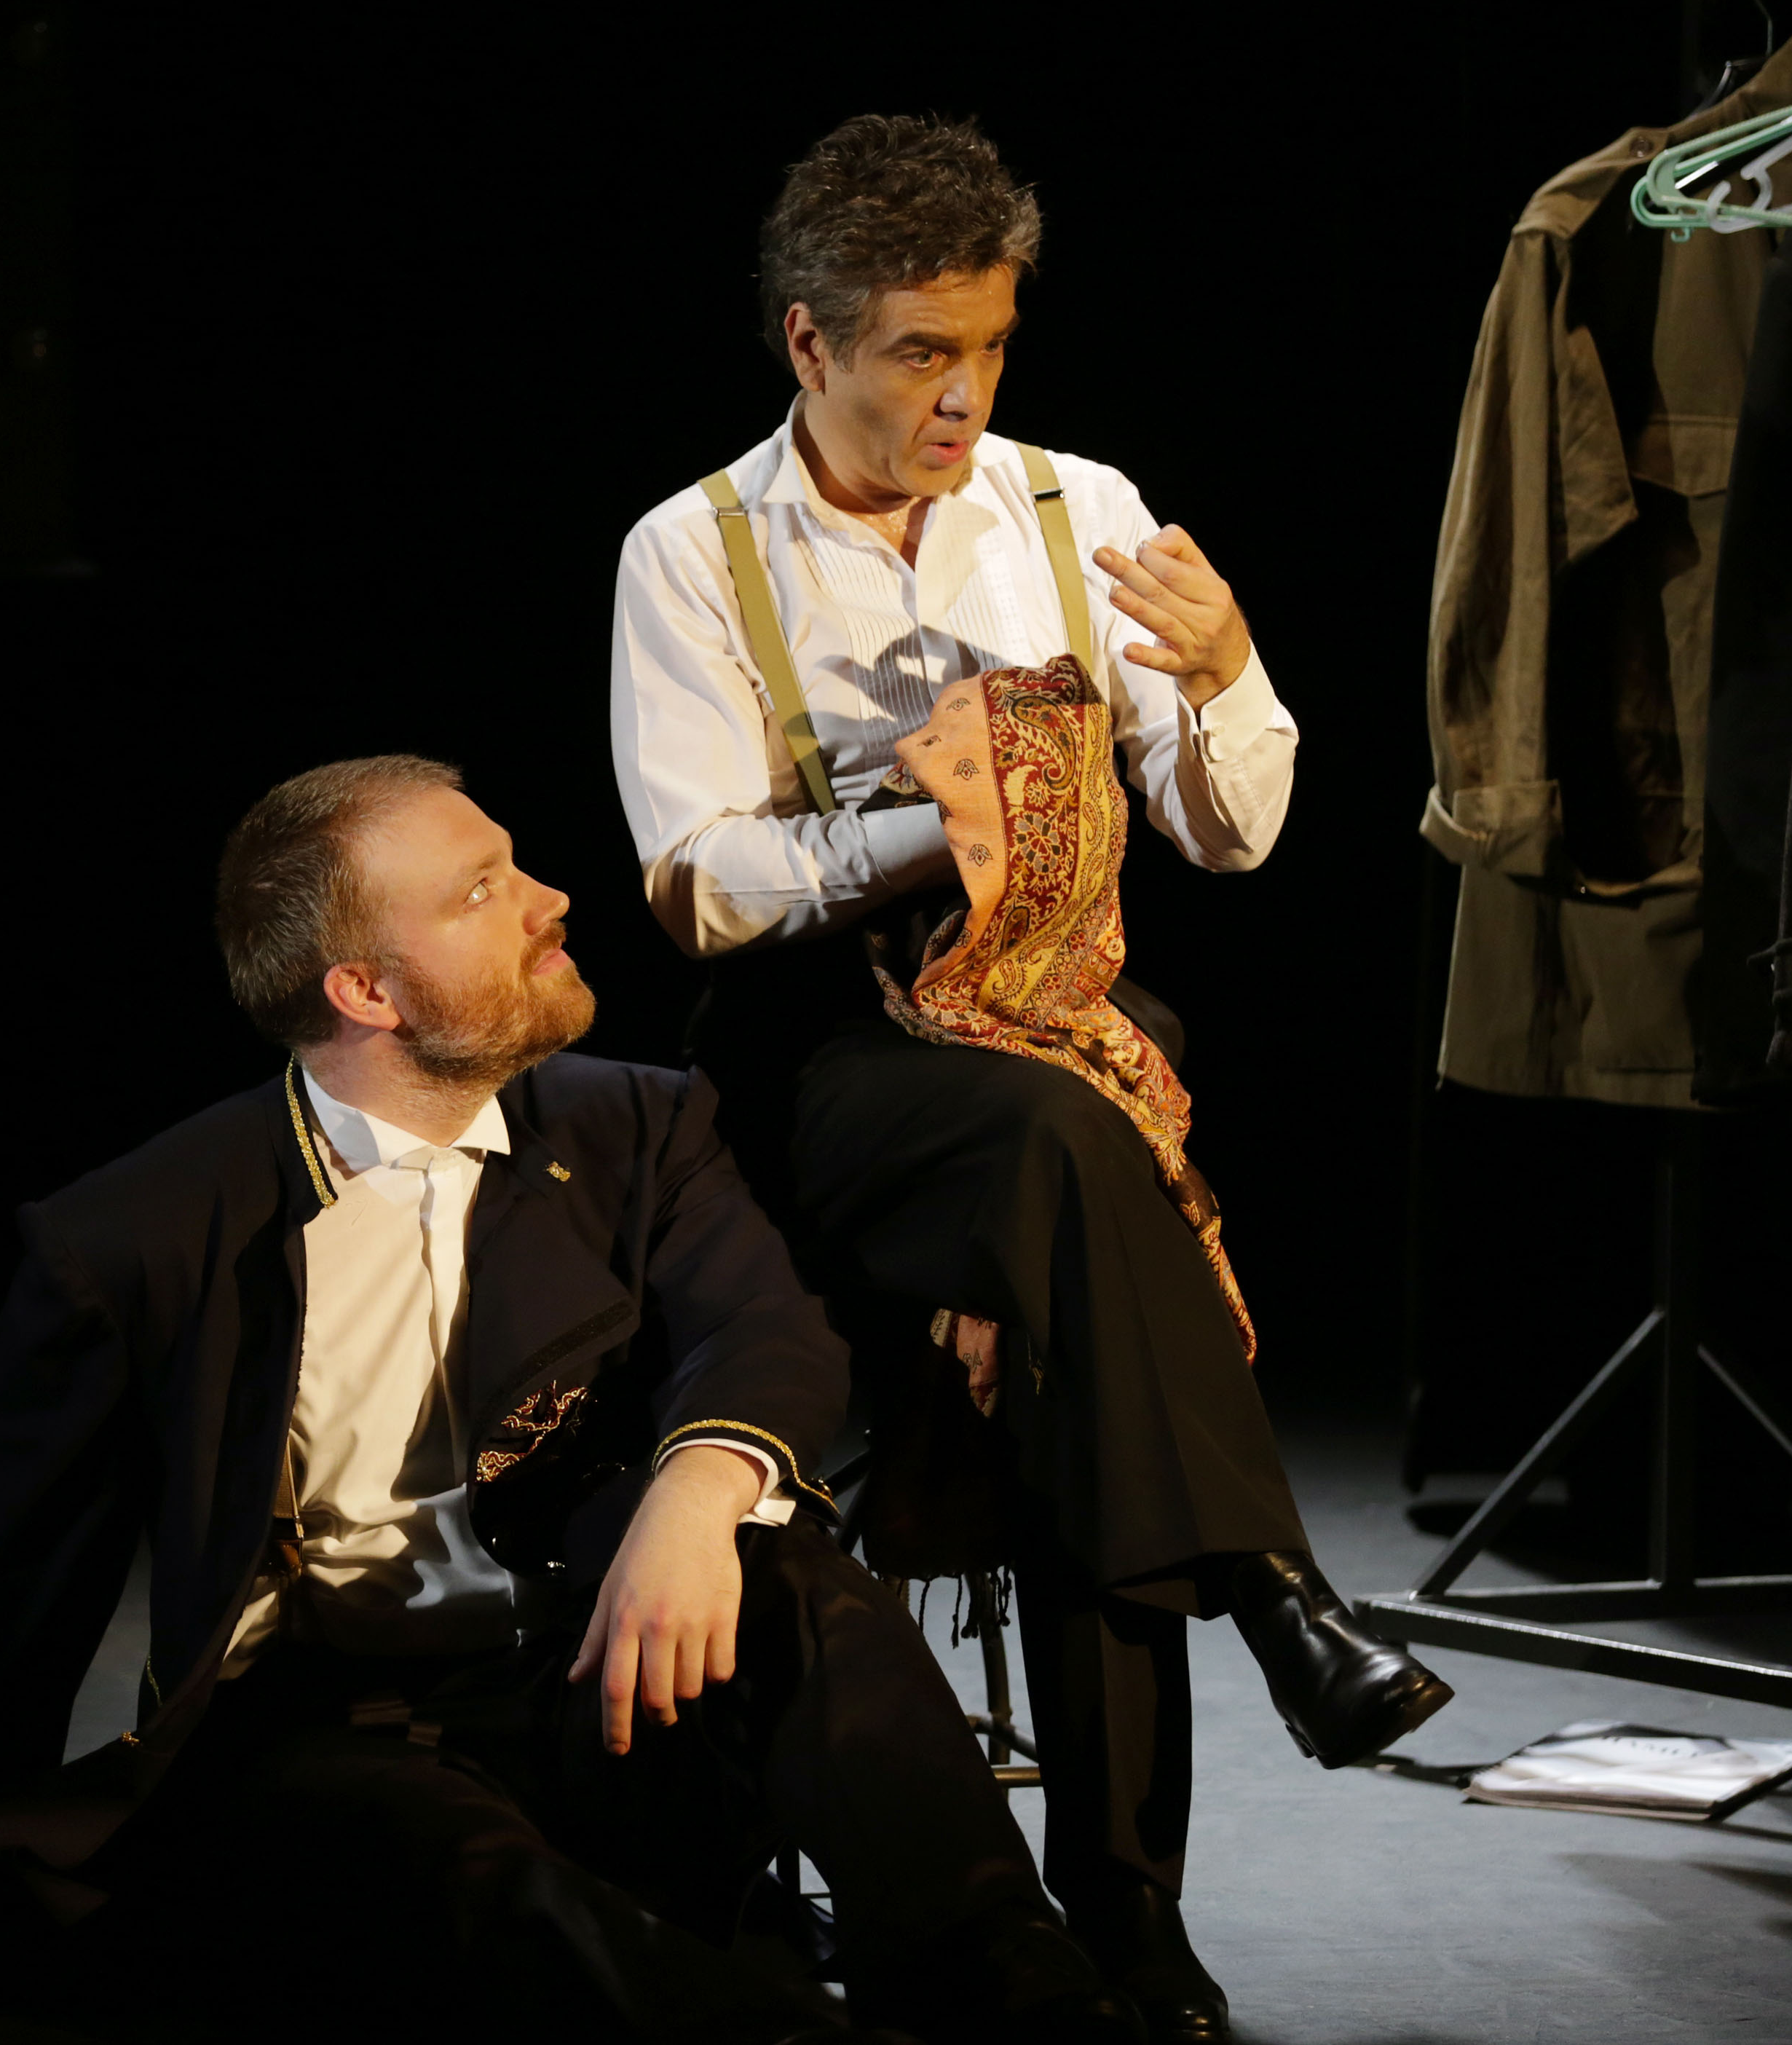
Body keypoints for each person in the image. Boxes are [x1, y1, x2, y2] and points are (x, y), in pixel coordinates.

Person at [0, 756, 1150, 2043]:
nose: (548, 898)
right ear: (367, 992)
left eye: (514, 863)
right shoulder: (133, 1238)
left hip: (598, 1663)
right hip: (326, 1727)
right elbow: (28, 1594)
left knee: (787, 1574)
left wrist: (694, 1494)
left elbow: (760, 1326)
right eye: (481, 890)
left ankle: (1029, 1998)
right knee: (474, 1890)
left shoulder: (635, 1121)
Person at [607, 117, 1452, 2044]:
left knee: (1086, 1305)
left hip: (1058, 1032)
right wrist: (928, 820)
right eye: (918, 351)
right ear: (807, 340)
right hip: (827, 1056)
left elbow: (1229, 833)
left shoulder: (1076, 507)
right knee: (1085, 1166)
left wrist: (1226, 674)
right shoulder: (694, 550)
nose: (961, 396)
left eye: (987, 344)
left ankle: (1125, 1913)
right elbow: (694, 887)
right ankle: (1270, 1611)